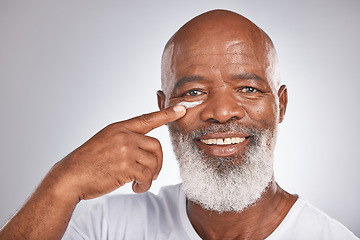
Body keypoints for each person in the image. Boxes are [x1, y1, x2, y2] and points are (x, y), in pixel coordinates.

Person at [0, 9, 358, 240]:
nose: (221, 112)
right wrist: (62, 184)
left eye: (248, 88)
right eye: (195, 92)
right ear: (164, 106)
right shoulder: (106, 228)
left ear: (279, 104)